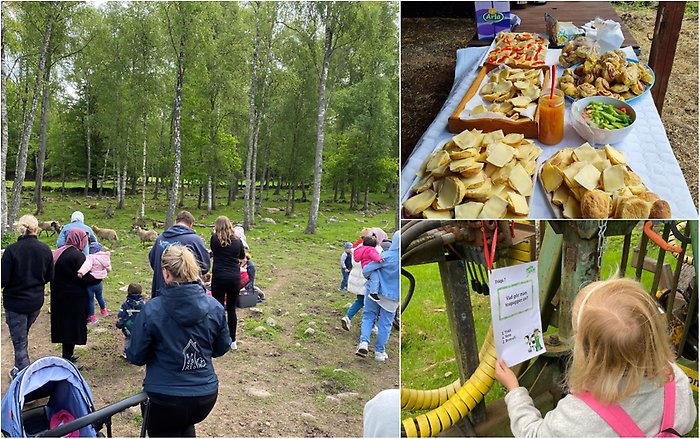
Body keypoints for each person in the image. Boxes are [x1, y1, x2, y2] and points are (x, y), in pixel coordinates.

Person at [494, 278, 697, 437]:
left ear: (586, 354)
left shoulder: (579, 416)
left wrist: (514, 391)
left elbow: (532, 434)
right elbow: (685, 422)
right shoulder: (674, 379)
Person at [127, 244, 230, 437]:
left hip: (164, 398)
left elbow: (136, 355)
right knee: (185, 426)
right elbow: (221, 347)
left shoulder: (152, 310)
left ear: (166, 273)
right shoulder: (215, 307)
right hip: (204, 395)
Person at [1, 214, 54, 379]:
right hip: (35, 302)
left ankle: (24, 379)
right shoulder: (45, 249)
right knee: (22, 336)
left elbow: (3, 279)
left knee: (20, 341)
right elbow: (49, 276)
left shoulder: (11, 251)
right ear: (37, 229)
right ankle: (20, 369)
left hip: (16, 303)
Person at [51, 228, 101, 369]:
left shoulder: (60, 252)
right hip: (73, 299)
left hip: (59, 297)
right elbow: (85, 278)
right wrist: (99, 277)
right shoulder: (77, 256)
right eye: (84, 240)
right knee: (71, 329)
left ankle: (68, 355)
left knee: (65, 328)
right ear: (79, 239)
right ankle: (67, 361)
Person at [356, 231, 399, 362]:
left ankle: (363, 342)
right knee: (385, 324)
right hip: (392, 297)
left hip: (374, 291)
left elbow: (367, 269)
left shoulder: (386, 256)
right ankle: (379, 352)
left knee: (368, 316)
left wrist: (373, 277)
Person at [149, 210, 210, 298]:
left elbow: (153, 261)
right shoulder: (194, 240)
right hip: (187, 295)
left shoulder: (160, 238)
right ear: (191, 225)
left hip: (161, 292)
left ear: (176, 222)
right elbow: (205, 266)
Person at [210, 216, 245, 351]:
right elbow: (242, 256)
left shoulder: (214, 239)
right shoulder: (237, 241)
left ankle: (217, 339)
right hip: (234, 278)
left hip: (219, 277)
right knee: (231, 309)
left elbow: (213, 252)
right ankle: (233, 340)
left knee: (217, 309)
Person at [341, 227, 386, 332]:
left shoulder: (358, 248)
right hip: (369, 282)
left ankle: (348, 317)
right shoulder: (376, 249)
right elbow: (379, 262)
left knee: (360, 300)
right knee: (372, 304)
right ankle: (370, 325)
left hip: (357, 280)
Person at [78, 242, 111, 324]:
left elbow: (87, 265)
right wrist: (107, 271)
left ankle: (92, 317)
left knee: (90, 300)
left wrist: (81, 272)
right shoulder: (104, 257)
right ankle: (104, 311)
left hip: (91, 283)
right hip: (99, 282)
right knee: (100, 297)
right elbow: (108, 267)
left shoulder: (91, 257)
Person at [115, 283, 146, 358]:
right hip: (140, 327)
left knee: (129, 339)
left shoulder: (125, 305)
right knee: (139, 340)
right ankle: (139, 353)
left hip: (128, 327)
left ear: (128, 292)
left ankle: (127, 353)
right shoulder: (144, 304)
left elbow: (121, 316)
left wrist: (119, 324)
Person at [353, 236, 384, 302]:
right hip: (371, 268)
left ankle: (370, 290)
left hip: (364, 267)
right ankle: (373, 293)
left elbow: (357, 259)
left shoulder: (361, 249)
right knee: (376, 279)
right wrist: (379, 259)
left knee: (372, 279)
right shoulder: (370, 249)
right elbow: (374, 255)